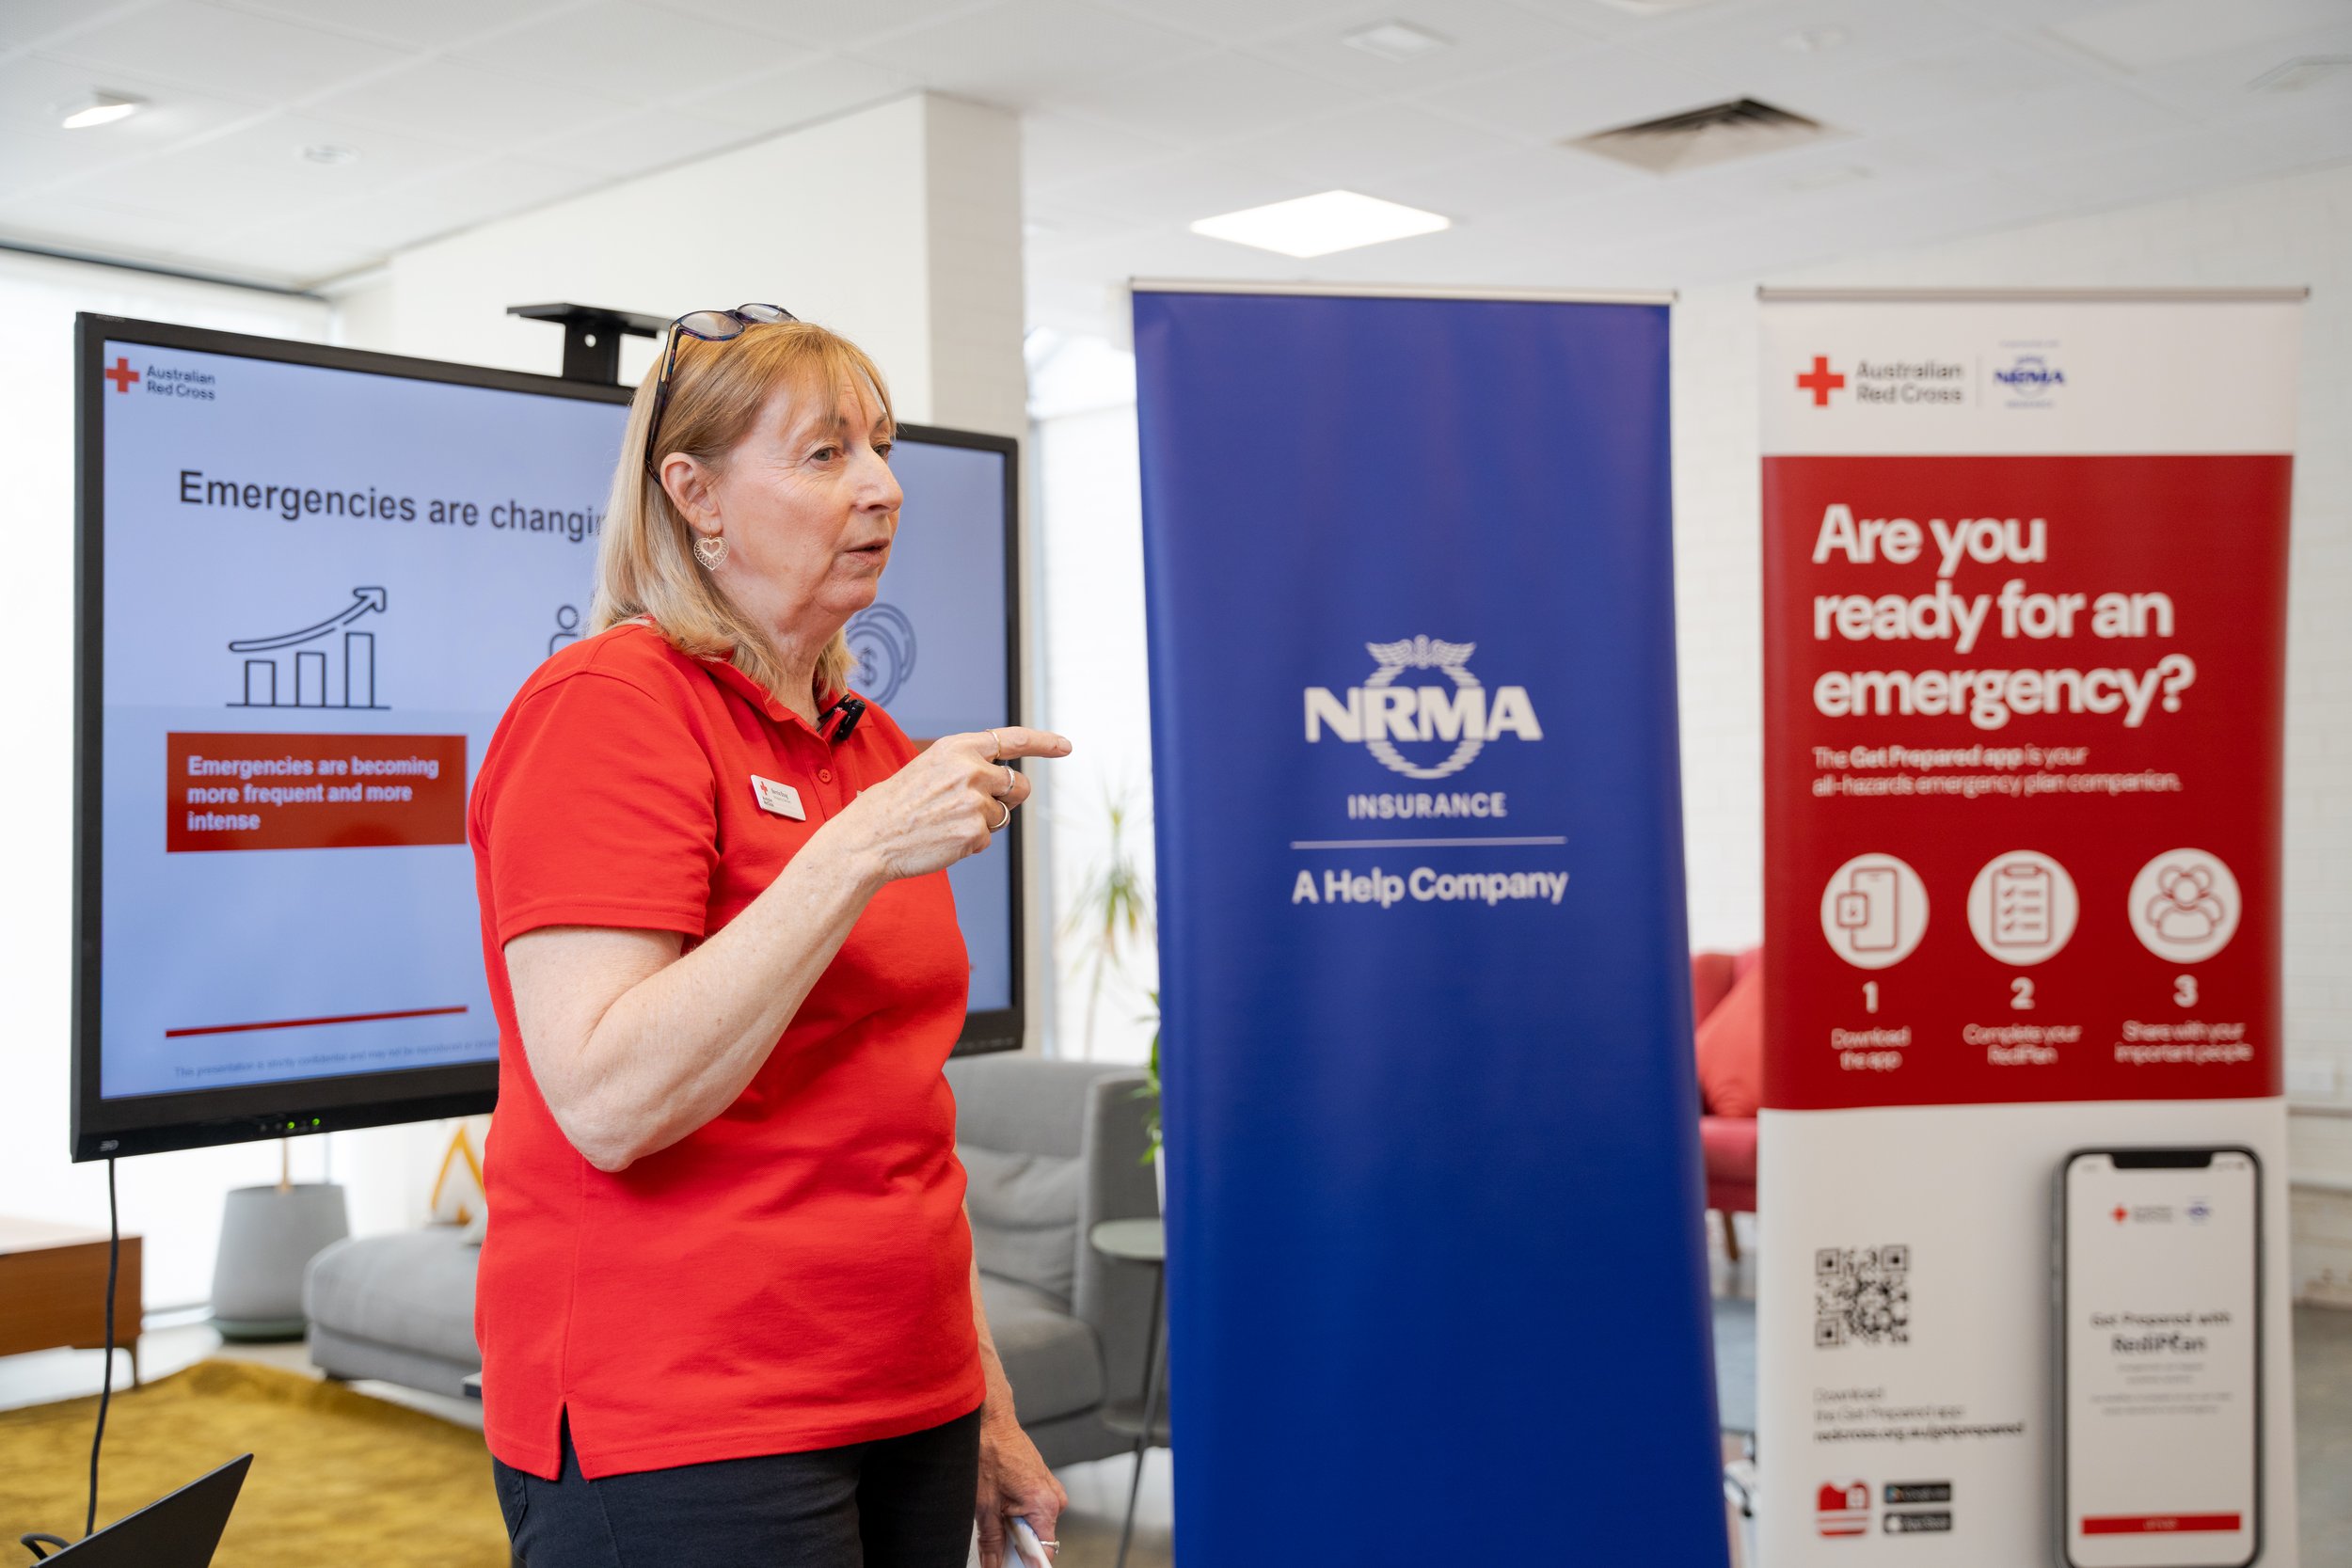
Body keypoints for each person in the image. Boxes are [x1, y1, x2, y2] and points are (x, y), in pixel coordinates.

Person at [467, 306, 1070, 1567]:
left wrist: (987, 1397)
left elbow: (895, 1113)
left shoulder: (875, 750)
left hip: (912, 1393)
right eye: (825, 455)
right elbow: (608, 1099)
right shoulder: (608, 708)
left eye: (883, 450)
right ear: (693, 495)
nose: (884, 489)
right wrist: (850, 854)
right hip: (687, 1412)